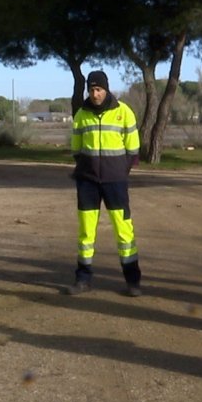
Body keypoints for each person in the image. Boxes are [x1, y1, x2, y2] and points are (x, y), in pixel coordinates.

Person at [64, 70, 143, 297]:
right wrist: (85, 168)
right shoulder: (81, 114)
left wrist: (120, 171)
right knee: (86, 233)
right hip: (87, 182)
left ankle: (133, 281)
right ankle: (83, 279)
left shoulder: (124, 112)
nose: (95, 94)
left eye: (99, 89)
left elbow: (133, 149)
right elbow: (76, 149)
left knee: (123, 230)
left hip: (115, 182)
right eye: (92, 89)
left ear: (106, 89)